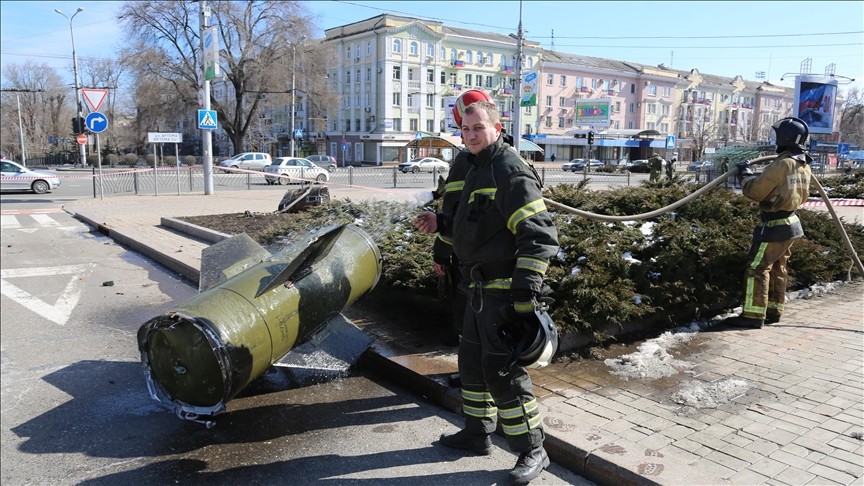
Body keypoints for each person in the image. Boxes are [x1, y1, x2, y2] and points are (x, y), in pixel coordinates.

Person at [414, 100, 558, 485]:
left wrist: (524, 296)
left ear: (497, 127)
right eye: (465, 130)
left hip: (501, 293)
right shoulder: (476, 167)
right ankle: (477, 433)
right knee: (472, 368)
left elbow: (540, 237)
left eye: (478, 128)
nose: (471, 135)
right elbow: (475, 225)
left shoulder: (509, 171)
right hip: (474, 289)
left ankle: (533, 449)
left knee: (502, 375)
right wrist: (440, 222)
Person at [726, 117, 813, 330]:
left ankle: (753, 316)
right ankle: (774, 310)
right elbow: (781, 188)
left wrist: (744, 175)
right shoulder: (803, 164)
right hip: (790, 223)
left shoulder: (783, 163)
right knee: (778, 268)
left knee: (757, 267)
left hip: (775, 225)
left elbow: (756, 191)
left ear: (784, 137)